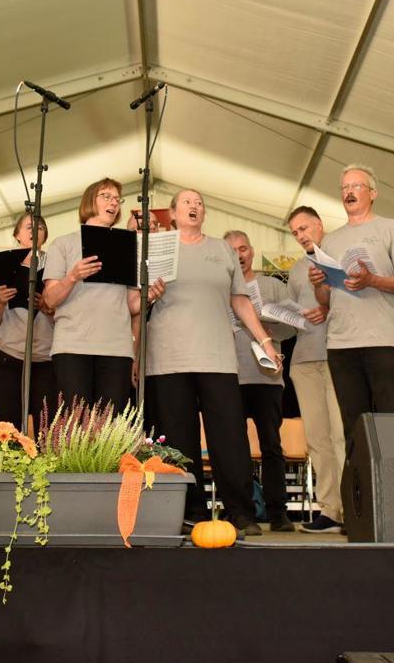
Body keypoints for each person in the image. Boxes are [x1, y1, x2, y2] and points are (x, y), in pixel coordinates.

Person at [147, 190, 280, 536]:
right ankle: (190, 511)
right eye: (186, 202)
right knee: (179, 439)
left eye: (200, 203)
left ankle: (240, 512)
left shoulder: (222, 250)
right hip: (168, 357)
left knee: (230, 436)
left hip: (217, 356)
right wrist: (147, 296)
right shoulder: (157, 247)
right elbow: (135, 301)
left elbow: (240, 300)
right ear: (172, 213)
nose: (194, 206)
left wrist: (264, 339)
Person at [308, 165, 394, 464]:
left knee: (390, 423)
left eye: (356, 185)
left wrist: (373, 281)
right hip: (341, 344)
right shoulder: (330, 240)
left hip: (383, 340)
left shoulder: (392, 227)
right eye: (344, 187)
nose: (348, 192)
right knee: (352, 428)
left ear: (373, 193)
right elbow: (325, 300)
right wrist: (319, 283)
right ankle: (360, 503)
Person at [43, 178, 154, 411]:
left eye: (117, 199)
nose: (113, 202)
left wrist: (149, 296)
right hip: (72, 347)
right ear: (89, 202)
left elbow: (132, 305)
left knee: (110, 429)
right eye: (106, 196)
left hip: (116, 348)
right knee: (74, 428)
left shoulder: (128, 245)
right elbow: (50, 299)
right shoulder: (63, 244)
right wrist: (73, 276)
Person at [225, 230, 296, 532]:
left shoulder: (271, 286)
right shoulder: (219, 288)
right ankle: (243, 512)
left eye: (243, 248)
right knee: (234, 447)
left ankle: (278, 511)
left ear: (251, 252)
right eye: (232, 251)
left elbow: (294, 327)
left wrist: (268, 326)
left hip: (267, 377)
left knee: (272, 446)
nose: (239, 255)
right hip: (230, 375)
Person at [284, 206, 345, 533]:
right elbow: (294, 314)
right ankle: (330, 510)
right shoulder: (295, 270)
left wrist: (327, 307)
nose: (301, 235)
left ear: (320, 225)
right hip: (304, 360)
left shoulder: (341, 255)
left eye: (304, 228)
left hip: (338, 355)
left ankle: (354, 508)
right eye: (295, 232)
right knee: (318, 439)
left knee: (341, 435)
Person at [0, 214, 56, 428]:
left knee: (47, 430)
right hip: (9, 358)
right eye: (28, 227)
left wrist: (47, 305)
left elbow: (69, 319)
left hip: (45, 360)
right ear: (17, 235)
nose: (35, 231)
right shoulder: (3, 267)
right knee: (8, 430)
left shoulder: (55, 267)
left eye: (41, 227)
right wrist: (0, 303)